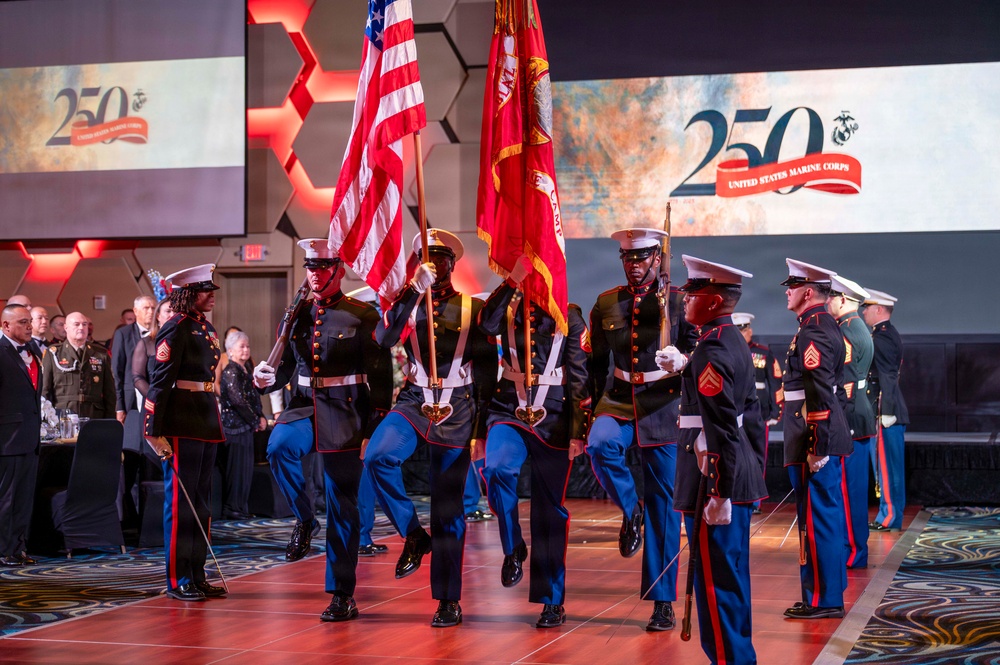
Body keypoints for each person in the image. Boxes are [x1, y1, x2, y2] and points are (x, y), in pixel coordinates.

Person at [253, 239, 393, 622]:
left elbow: (380, 377)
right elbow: (284, 367)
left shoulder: (361, 315)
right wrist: (265, 379)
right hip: (303, 409)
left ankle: (342, 594)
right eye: (310, 267)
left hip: (346, 413)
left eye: (322, 267)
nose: (314, 274)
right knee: (278, 448)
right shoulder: (296, 313)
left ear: (338, 271)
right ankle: (304, 517)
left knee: (341, 506)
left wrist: (373, 427)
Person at [366, 228, 497, 628]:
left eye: (440, 258)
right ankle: (412, 533)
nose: (434, 264)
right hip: (414, 400)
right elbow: (384, 339)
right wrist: (409, 291)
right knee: (378, 456)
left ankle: (447, 599)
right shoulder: (409, 303)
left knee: (447, 509)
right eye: (426, 258)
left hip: (457, 405)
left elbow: (488, 371)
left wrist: (482, 427)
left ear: (453, 264)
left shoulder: (473, 308)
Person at [588, 227, 698, 631]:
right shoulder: (606, 302)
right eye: (627, 259)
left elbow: (699, 349)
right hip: (618, 399)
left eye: (641, 259)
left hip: (665, 404)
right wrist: (587, 405)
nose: (633, 266)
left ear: (657, 258)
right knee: (599, 445)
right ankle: (629, 511)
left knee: (665, 507)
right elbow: (596, 362)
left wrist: (683, 360)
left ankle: (662, 601)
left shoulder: (678, 301)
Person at [476, 256, 590, 628]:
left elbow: (578, 377)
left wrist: (578, 432)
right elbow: (485, 324)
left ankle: (551, 600)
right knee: (496, 469)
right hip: (508, 408)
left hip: (554, 418)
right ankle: (513, 547)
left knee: (548, 512)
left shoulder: (569, 315)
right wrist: (512, 279)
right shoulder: (508, 308)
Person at [672, 255, 766, 665]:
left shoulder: (712, 348)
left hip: (714, 475)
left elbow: (722, 427)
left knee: (717, 586)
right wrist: (686, 366)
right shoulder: (727, 341)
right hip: (730, 469)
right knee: (729, 580)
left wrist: (720, 491)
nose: (684, 300)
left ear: (712, 301)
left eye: (692, 293)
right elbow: (747, 417)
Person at [143, 264, 227, 602]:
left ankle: (197, 573)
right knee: (181, 504)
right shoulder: (175, 326)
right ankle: (179, 578)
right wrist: (152, 429)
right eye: (206, 290)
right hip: (179, 420)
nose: (212, 296)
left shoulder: (204, 327)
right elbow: (160, 381)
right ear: (188, 293)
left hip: (204, 418)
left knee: (202, 504)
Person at [780, 259, 852, 619]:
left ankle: (824, 599)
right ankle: (821, 594)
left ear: (807, 291)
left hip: (812, 433)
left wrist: (816, 445)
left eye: (791, 287)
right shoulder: (818, 325)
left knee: (819, 516)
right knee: (818, 516)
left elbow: (820, 391)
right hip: (810, 429)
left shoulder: (815, 329)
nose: (787, 292)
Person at [826, 276, 877, 569]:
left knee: (849, 492)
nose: (827, 301)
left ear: (843, 300)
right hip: (858, 412)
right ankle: (853, 547)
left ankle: (854, 550)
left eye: (831, 297)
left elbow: (843, 379)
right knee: (851, 490)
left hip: (851, 416)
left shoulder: (846, 331)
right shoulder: (857, 327)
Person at [862, 289, 909, 532]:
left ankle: (889, 516)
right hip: (883, 407)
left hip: (885, 409)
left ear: (879, 309)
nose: (863, 311)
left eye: (867, 307)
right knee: (887, 467)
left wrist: (886, 410)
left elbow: (888, 377)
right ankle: (888, 514)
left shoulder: (882, 338)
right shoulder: (883, 335)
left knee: (887, 469)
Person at [0, 304, 43, 567]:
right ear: (5, 326)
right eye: (23, 322)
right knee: (6, 499)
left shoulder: (34, 350)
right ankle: (3, 550)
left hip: (30, 437)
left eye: (30, 321)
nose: (29, 326)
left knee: (24, 499)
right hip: (7, 439)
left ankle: (18, 548)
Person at [219, 330, 266, 519]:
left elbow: (252, 398)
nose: (246, 350)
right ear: (230, 351)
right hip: (235, 428)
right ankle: (233, 507)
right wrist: (255, 419)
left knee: (245, 470)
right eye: (242, 346)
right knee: (237, 471)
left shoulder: (244, 370)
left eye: (247, 346)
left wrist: (260, 416)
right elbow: (238, 400)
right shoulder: (230, 371)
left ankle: (241, 507)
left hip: (245, 426)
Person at [41, 311, 116, 418]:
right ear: (66, 327)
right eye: (76, 324)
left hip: (93, 414)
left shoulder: (100, 353)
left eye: (84, 324)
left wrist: (110, 420)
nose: (81, 328)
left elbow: (109, 392)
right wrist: (46, 419)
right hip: (63, 415)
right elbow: (45, 390)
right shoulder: (53, 353)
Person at [732, 313, 783, 426]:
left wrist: (775, 413)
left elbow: (775, 383)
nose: (740, 335)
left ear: (750, 331)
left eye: (743, 331)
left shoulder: (763, 352)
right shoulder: (727, 352)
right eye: (737, 332)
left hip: (759, 409)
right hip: (733, 408)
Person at [112, 296, 156, 423]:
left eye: (153, 308)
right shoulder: (123, 333)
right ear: (135, 311)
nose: (151, 311)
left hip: (155, 395)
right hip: (130, 398)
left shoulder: (162, 334)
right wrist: (119, 406)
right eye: (146, 308)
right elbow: (117, 371)